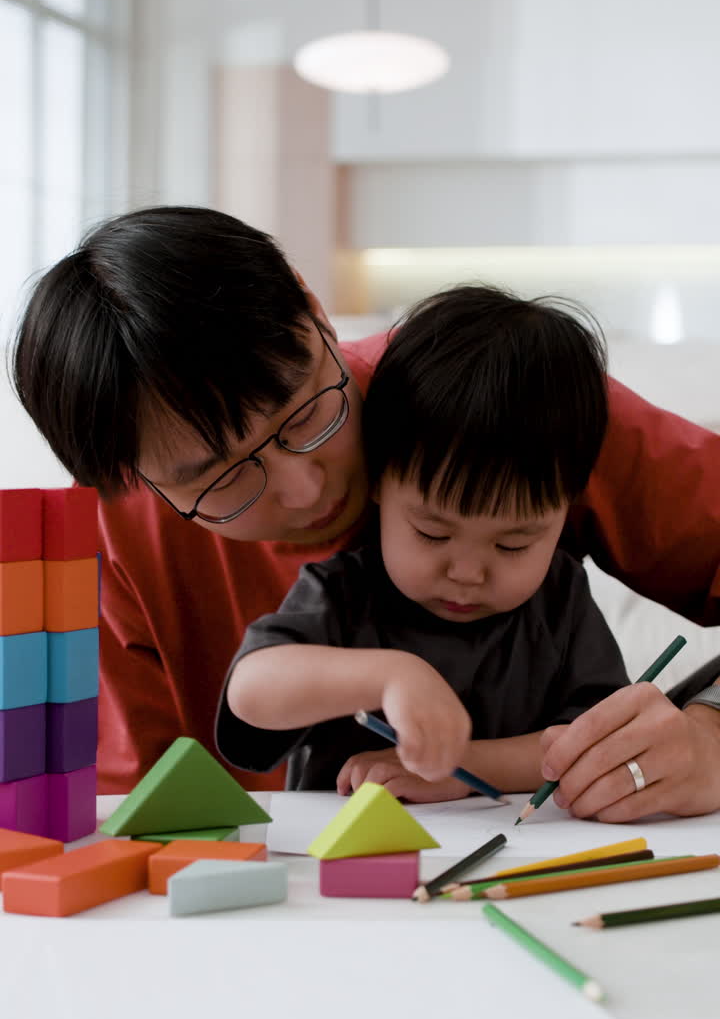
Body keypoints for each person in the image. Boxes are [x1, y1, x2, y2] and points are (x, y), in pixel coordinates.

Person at [11, 205, 720, 820]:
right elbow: (128, 815)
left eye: (304, 410)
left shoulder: (503, 402)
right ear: (131, 478)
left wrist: (710, 737)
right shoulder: (109, 542)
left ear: (313, 308)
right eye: (222, 476)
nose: (302, 489)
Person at [219, 285, 630, 799]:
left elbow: (593, 744)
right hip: (338, 861)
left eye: (513, 545)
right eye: (432, 533)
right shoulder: (343, 594)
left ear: (564, 509)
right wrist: (391, 676)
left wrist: (462, 768)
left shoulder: (560, 601)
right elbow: (251, 692)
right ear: (378, 483)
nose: (467, 572)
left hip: (513, 857)